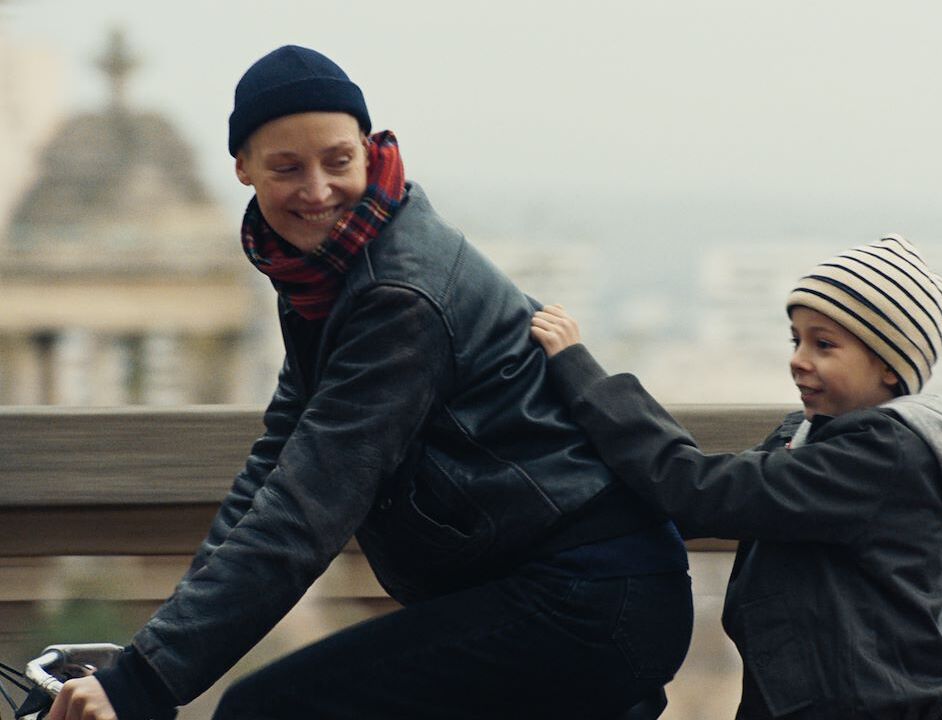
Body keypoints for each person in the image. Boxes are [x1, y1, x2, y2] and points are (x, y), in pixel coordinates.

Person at [48, 45, 692, 720]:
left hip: (587, 594)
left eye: (338, 161)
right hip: (563, 589)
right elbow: (273, 470)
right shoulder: (324, 271)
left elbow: (309, 505)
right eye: (287, 168)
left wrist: (145, 682)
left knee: (268, 710)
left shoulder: (397, 294)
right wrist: (148, 658)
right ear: (243, 169)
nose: (317, 190)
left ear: (369, 147)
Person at [531, 235, 942, 719]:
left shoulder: (878, 458)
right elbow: (695, 497)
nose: (798, 359)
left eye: (824, 344)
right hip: (803, 697)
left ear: (890, 367)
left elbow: (701, 490)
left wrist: (584, 379)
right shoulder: (811, 439)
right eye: (796, 339)